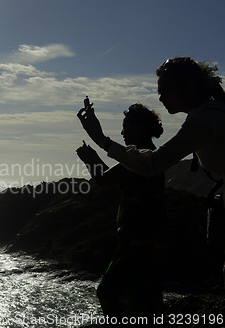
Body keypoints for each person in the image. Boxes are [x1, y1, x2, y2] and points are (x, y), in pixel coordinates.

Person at [78, 57, 225, 288]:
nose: (160, 97)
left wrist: (100, 140)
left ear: (188, 86)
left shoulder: (203, 118)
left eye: (166, 90)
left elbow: (149, 165)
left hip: (142, 235)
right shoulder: (213, 110)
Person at [77, 103, 167, 317]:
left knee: (109, 290)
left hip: (142, 240)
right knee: (142, 295)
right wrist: (94, 156)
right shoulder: (140, 158)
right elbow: (111, 176)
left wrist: (91, 157)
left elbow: (104, 179)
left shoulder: (144, 157)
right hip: (137, 238)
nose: (122, 133)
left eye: (126, 127)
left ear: (141, 129)